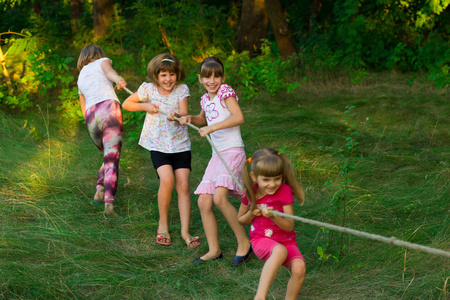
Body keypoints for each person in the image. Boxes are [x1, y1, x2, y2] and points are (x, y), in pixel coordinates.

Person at [178, 57, 252, 266]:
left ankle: (244, 242)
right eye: (207, 76)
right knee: (204, 200)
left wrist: (212, 128)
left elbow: (238, 117)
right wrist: (190, 118)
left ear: (223, 77)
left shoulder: (225, 93)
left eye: (216, 76)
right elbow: (204, 119)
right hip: (217, 155)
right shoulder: (205, 99)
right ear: (200, 79)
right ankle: (214, 250)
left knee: (220, 198)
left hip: (232, 151)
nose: (212, 80)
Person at [122, 53, 200, 249]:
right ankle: (162, 224)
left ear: (177, 74)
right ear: (155, 75)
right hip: (158, 145)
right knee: (167, 180)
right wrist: (145, 106)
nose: (168, 79)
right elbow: (127, 104)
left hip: (180, 145)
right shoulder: (148, 89)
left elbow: (183, 111)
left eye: (171, 74)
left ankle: (185, 231)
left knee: (183, 185)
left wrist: (181, 116)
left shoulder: (182, 89)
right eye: (163, 75)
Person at [237, 148, 306, 300]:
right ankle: (260, 297)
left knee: (299, 268)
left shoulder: (285, 191)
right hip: (261, 239)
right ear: (254, 176)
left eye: (277, 178)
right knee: (279, 251)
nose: (272, 184)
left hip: (286, 240)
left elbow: (289, 226)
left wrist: (274, 217)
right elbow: (240, 220)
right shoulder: (251, 192)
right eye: (266, 180)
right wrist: (251, 213)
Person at [77, 44, 127, 216]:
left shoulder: (81, 75)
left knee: (108, 156)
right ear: (99, 55)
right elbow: (109, 72)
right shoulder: (102, 61)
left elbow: (82, 105)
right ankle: (109, 207)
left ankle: (99, 193)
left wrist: (90, 120)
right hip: (108, 108)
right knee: (112, 158)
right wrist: (118, 78)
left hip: (91, 117)